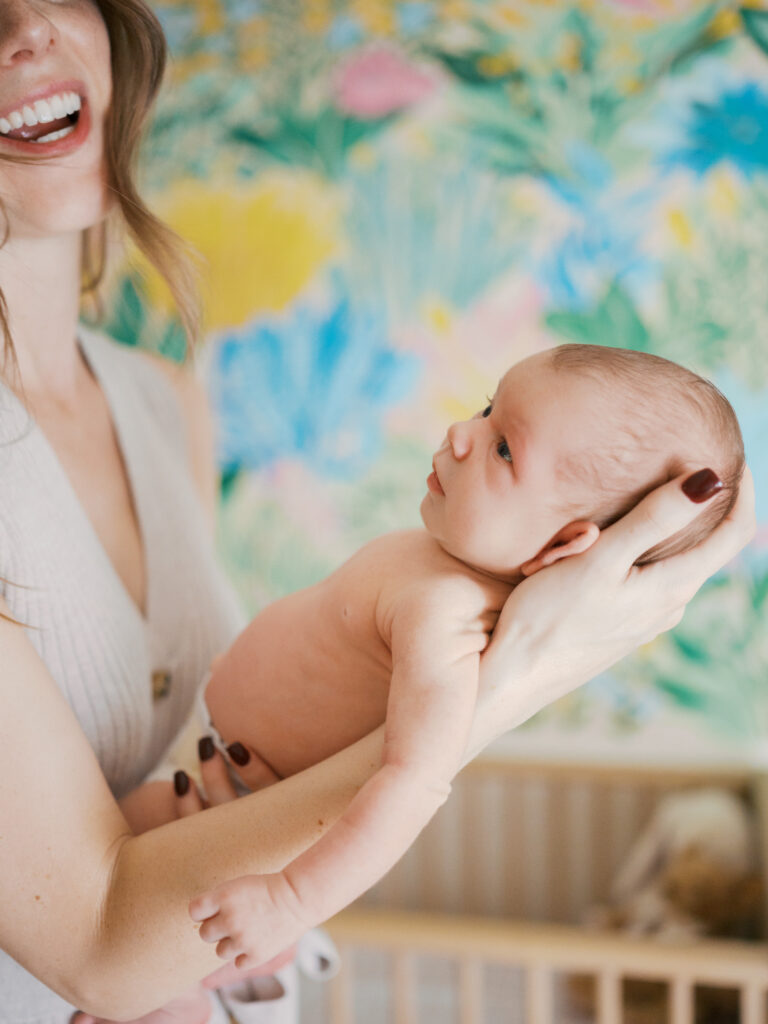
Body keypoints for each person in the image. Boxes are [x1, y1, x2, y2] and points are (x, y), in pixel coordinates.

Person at [0, 1, 755, 1022]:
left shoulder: (161, 397)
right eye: (488, 412)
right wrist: (520, 675)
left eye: (501, 442)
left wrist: (282, 911)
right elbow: (94, 943)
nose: (24, 29)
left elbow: (383, 782)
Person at [147, 344, 742, 971]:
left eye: (504, 448)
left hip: (225, 798)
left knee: (121, 873)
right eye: (487, 410)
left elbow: (413, 782)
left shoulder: (449, 620)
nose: (461, 433)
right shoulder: (438, 562)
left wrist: (290, 900)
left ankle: (183, 995)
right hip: (205, 754)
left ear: (567, 543)